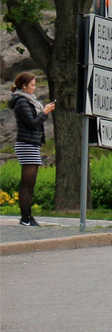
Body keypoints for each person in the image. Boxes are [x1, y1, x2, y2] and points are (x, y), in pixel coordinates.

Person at [8, 72, 55, 227]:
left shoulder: (28, 100)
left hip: (32, 143)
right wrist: (45, 113)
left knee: (31, 182)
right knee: (27, 182)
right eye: (32, 85)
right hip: (26, 143)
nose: (34, 88)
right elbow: (32, 122)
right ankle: (25, 217)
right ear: (24, 86)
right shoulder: (21, 101)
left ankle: (28, 216)